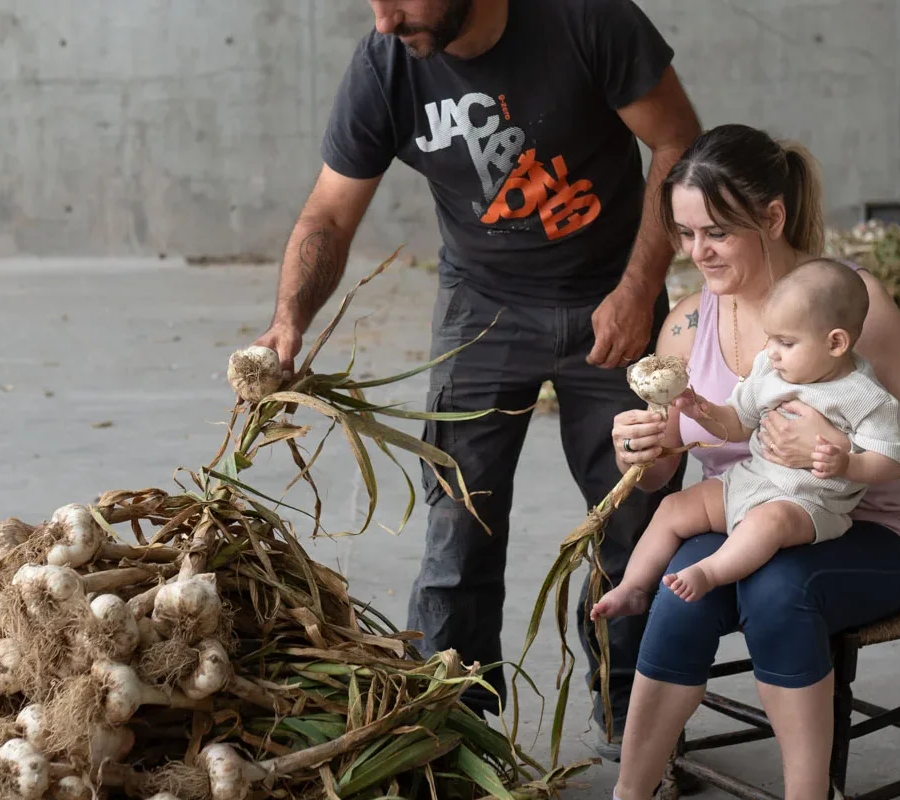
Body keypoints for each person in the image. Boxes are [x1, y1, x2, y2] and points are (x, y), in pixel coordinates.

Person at [245, 0, 703, 750]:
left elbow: (677, 144)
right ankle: (451, 726)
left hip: (612, 298)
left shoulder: (588, 18)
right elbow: (328, 213)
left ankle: (635, 726)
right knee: (459, 522)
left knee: (632, 521)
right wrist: (289, 319)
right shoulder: (386, 61)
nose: (385, 20)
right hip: (480, 308)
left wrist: (636, 287)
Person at [601, 124, 900, 800]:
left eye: (716, 233)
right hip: (738, 514)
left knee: (776, 591)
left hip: (858, 532)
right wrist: (637, 452)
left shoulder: (847, 303)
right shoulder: (686, 324)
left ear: (771, 216)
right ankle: (630, 791)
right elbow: (665, 474)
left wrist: (838, 452)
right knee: (678, 594)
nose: (697, 252)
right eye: (684, 233)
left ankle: (805, 793)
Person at [590, 259, 900, 620]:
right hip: (751, 479)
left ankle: (710, 572)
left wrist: (848, 462)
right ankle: (633, 588)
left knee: (766, 524)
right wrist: (703, 410)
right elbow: (739, 421)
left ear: (835, 343)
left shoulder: (866, 397)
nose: (771, 350)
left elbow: (889, 460)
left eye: (786, 342)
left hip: (807, 502)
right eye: (770, 338)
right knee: (675, 508)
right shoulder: (771, 370)